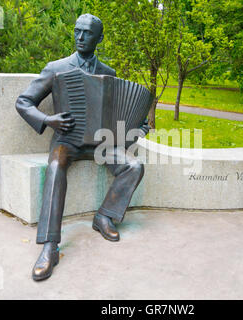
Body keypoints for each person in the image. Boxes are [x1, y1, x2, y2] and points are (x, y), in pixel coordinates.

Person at [15, 13, 149, 281]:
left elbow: (120, 116)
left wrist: (136, 128)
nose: (80, 37)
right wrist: (47, 120)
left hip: (101, 143)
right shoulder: (57, 68)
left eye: (87, 33)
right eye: (77, 31)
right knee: (55, 166)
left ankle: (104, 217)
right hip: (67, 142)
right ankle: (50, 247)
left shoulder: (109, 74)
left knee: (134, 165)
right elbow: (23, 102)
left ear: (99, 38)